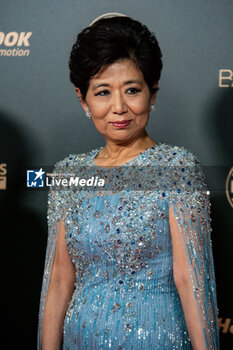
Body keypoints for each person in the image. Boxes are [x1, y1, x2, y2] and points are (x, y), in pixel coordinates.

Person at [37, 14, 219, 350]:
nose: (119, 108)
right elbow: (60, 281)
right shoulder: (68, 174)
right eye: (103, 92)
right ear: (83, 99)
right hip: (82, 338)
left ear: (153, 92)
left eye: (132, 90)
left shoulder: (177, 168)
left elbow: (190, 279)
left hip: (156, 337)